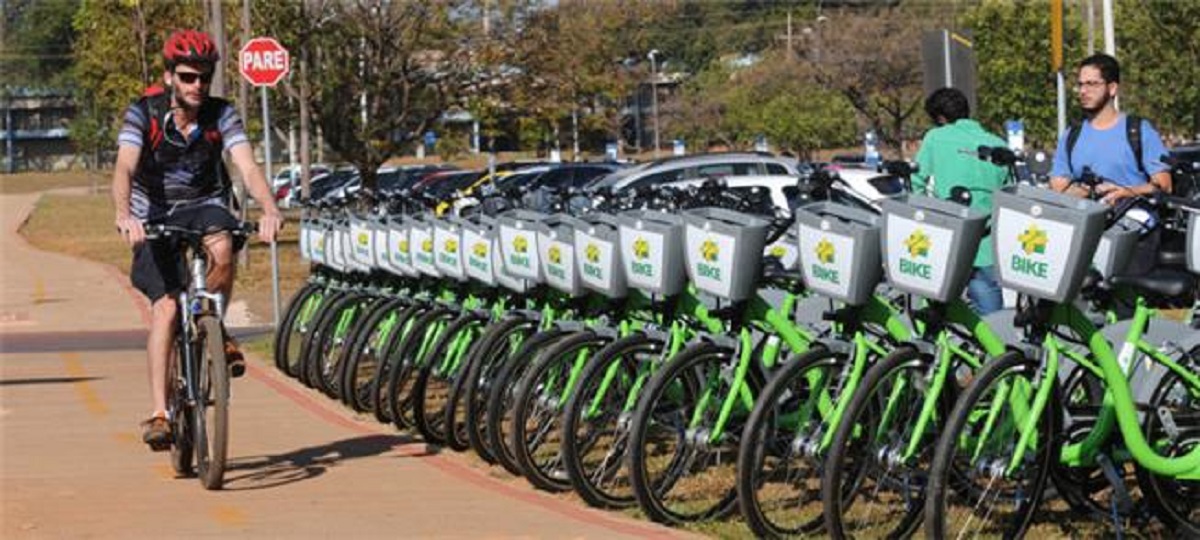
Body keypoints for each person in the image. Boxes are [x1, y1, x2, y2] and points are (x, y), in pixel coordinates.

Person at [111, 30, 283, 450]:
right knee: (167, 309)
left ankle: (214, 326)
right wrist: (124, 213)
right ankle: (159, 412)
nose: (197, 86)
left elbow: (247, 166)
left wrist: (270, 208)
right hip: (152, 213)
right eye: (188, 77)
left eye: (204, 78)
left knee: (223, 247)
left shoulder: (221, 115)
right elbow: (124, 169)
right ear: (170, 76)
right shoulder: (143, 113)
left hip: (204, 203)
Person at [1050, 53, 1171, 276]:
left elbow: (1163, 184)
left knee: (1125, 306)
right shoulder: (1071, 136)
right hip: (1086, 235)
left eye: (1092, 84)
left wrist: (1126, 191)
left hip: (1134, 236)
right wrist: (1088, 189)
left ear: (1112, 88)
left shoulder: (1138, 131)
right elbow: (1059, 190)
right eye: (1080, 84)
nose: (1083, 91)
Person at [911, 87, 1007, 315]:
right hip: (987, 243)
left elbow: (916, 180)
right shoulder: (997, 144)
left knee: (937, 312)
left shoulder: (936, 137)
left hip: (948, 238)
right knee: (991, 318)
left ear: (940, 118)